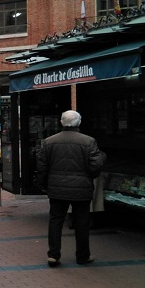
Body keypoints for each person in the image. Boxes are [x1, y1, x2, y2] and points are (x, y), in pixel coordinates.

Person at [37, 110, 106, 268]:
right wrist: (89, 176)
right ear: (79, 122)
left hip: (56, 188)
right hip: (81, 189)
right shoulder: (88, 141)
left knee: (55, 221)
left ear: (62, 122)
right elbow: (95, 166)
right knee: (82, 222)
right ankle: (83, 255)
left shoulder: (49, 142)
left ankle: (53, 255)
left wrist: (43, 185)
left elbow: (42, 166)